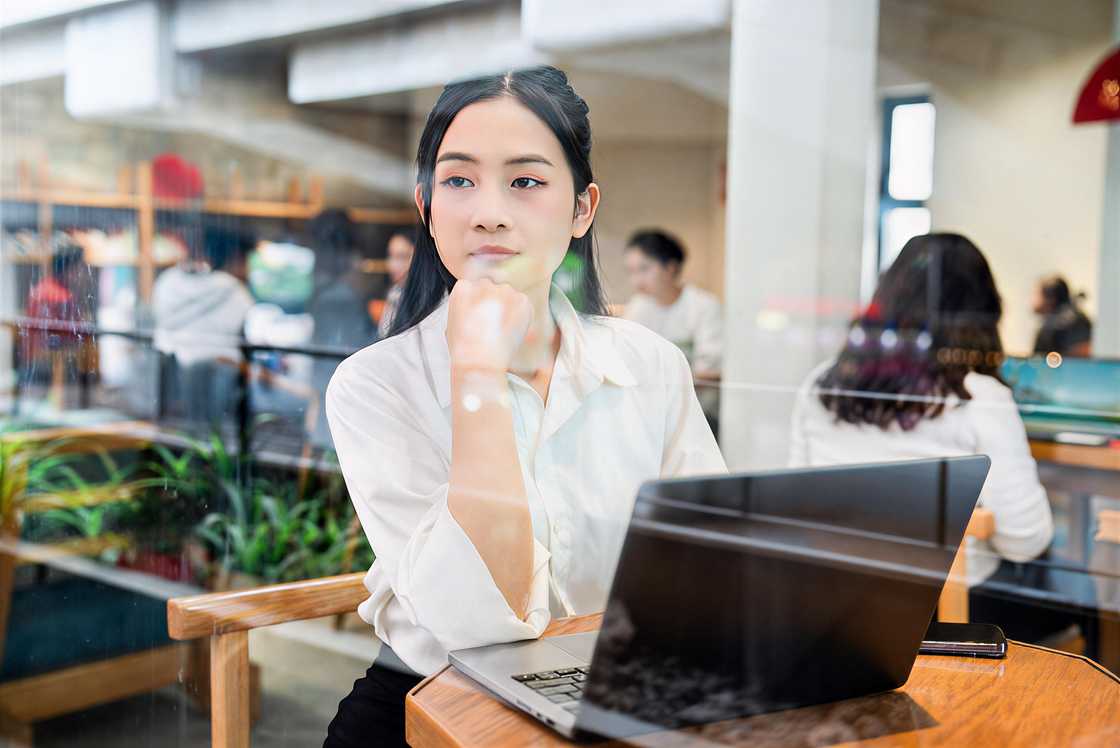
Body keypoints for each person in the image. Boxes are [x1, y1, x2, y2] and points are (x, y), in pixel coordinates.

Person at [323, 66, 725, 747]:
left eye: (526, 181)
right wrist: (477, 372)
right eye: (457, 180)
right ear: (425, 204)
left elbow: (714, 571)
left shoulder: (649, 363)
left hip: (613, 696)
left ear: (581, 209)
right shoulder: (374, 384)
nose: (488, 211)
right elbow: (478, 626)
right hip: (429, 704)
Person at [790, 233, 1055, 636]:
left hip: (834, 603)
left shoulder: (821, 385)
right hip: (942, 618)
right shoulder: (978, 397)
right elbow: (1025, 540)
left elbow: (797, 506)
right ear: (981, 313)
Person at [152, 222, 257, 423]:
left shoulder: (168, 281)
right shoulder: (232, 289)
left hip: (175, 371)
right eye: (246, 260)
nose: (248, 267)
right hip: (222, 368)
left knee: (188, 428)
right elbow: (251, 332)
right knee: (215, 432)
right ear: (235, 256)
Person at [622, 229, 723, 425]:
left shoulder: (703, 306)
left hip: (699, 415)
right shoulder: (638, 307)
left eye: (644, 269)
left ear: (670, 268)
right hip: (650, 414)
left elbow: (711, 373)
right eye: (631, 271)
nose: (636, 280)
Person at [1032, 275, 1093, 358]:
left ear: (1050, 299)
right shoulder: (1079, 319)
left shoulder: (1053, 327)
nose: (1033, 299)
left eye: (1037, 294)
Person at [377, 227, 416, 338]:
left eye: (402, 257)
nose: (393, 265)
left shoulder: (428, 300)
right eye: (390, 256)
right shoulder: (395, 292)